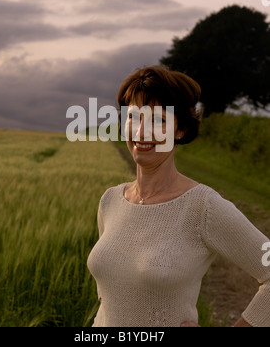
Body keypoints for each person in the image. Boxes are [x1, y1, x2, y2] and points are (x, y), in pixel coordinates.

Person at [87, 65, 270, 327]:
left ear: (180, 129)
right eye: (134, 117)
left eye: (158, 120)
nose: (141, 133)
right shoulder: (110, 201)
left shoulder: (203, 206)